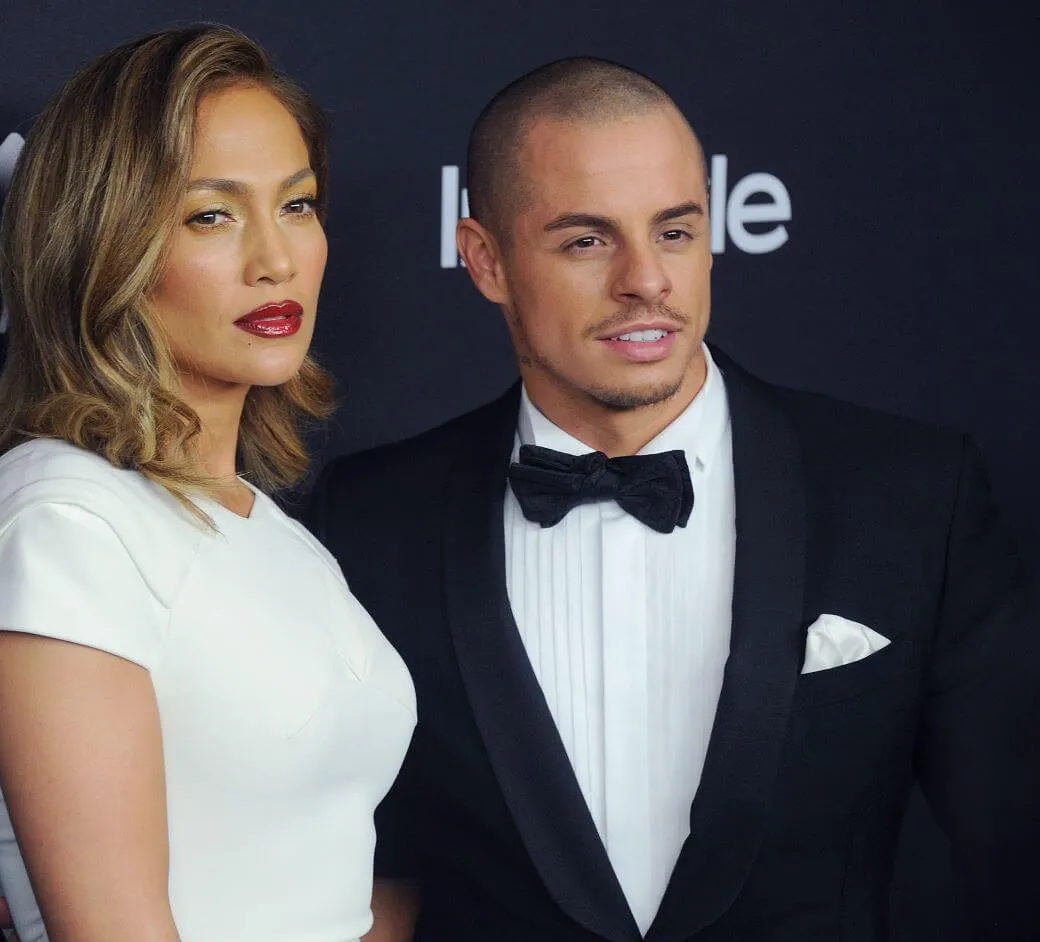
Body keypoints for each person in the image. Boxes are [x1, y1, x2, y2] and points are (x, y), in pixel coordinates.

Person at [308, 59, 1040, 941]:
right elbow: (365, 870)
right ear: (486, 260)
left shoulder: (912, 495)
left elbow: (1015, 850)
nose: (646, 280)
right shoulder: (371, 522)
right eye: (587, 240)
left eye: (676, 232)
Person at [0, 25, 414, 942]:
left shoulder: (270, 531)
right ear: (102, 246)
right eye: (211, 215)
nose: (275, 259)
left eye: (298, 205)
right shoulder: (63, 525)